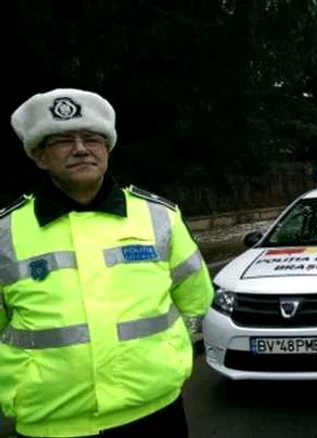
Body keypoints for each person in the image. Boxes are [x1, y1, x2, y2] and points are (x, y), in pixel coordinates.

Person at [1, 88, 214, 437]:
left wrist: (165, 356)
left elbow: (196, 302)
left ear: (108, 150)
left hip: (157, 414)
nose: (81, 148)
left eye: (92, 138)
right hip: (53, 425)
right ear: (39, 156)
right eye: (63, 140)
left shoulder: (159, 217)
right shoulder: (5, 232)